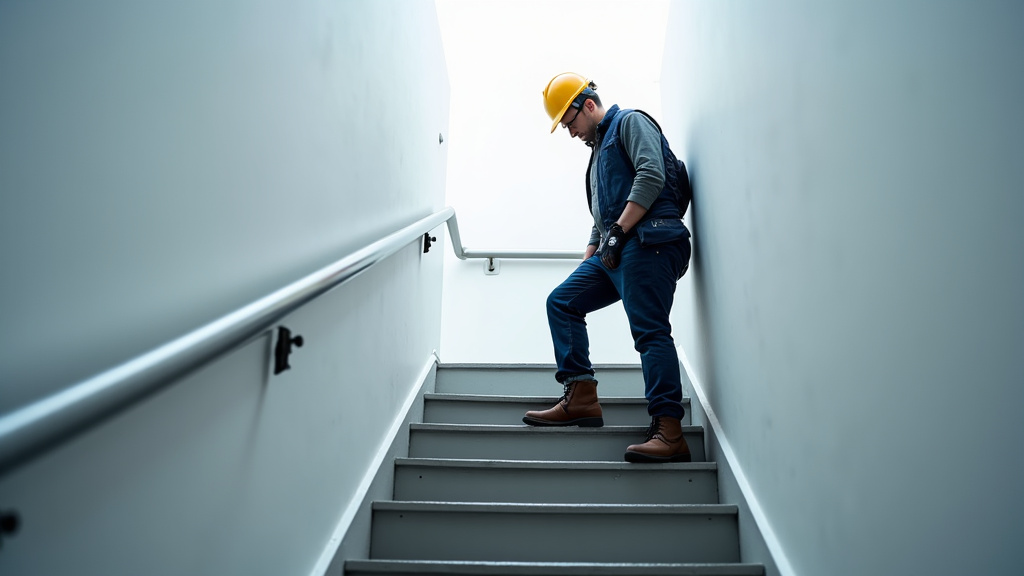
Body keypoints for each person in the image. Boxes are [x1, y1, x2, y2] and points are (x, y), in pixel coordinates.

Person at [523, 72, 693, 463]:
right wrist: (592, 251)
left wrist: (618, 231)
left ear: (587, 105)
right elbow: (604, 213)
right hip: (616, 247)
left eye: (570, 123)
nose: (570, 133)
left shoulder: (630, 122)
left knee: (649, 332)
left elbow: (652, 174)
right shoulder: (598, 152)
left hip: (649, 241)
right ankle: (581, 395)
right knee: (562, 301)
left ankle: (669, 430)